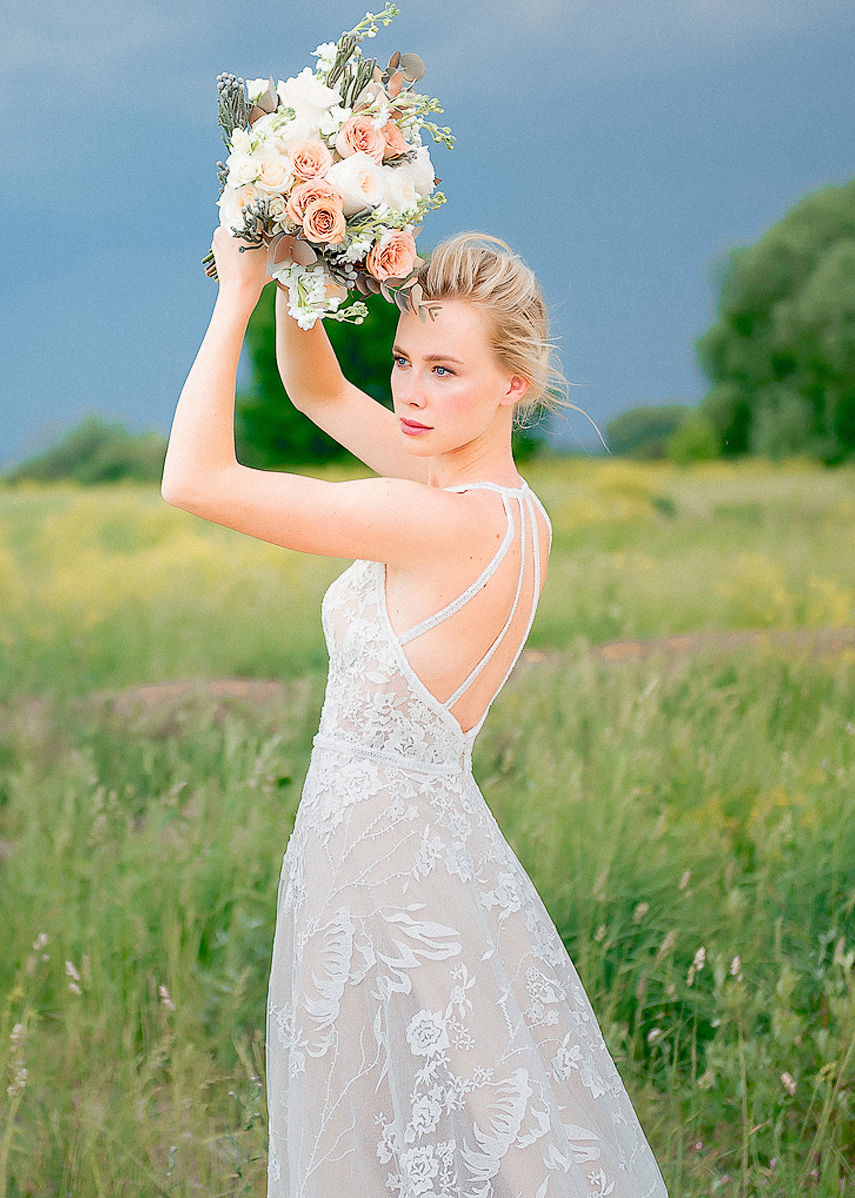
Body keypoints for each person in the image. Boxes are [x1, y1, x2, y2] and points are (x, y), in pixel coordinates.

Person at [163, 225, 667, 1196]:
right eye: (402, 361)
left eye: (444, 370)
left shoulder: (430, 518)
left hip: (381, 858)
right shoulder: (506, 511)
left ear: (510, 385)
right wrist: (300, 271)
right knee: (463, 1105)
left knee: (412, 1122)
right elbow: (315, 392)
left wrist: (234, 295)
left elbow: (193, 480)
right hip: (412, 841)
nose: (410, 392)